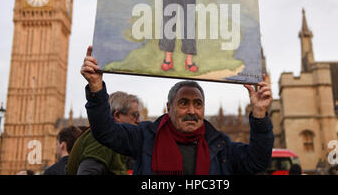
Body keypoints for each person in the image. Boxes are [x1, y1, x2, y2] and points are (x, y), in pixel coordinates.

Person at [81, 46, 274, 175]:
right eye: (183, 103)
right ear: (168, 108)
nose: (192, 110)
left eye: (198, 104)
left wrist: (259, 114)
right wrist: (97, 88)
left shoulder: (220, 145)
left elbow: (258, 161)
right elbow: (105, 132)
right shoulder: (145, 137)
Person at [67, 91, 141, 175]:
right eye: (135, 115)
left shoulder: (116, 141)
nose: (138, 121)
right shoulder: (101, 140)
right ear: (117, 116)